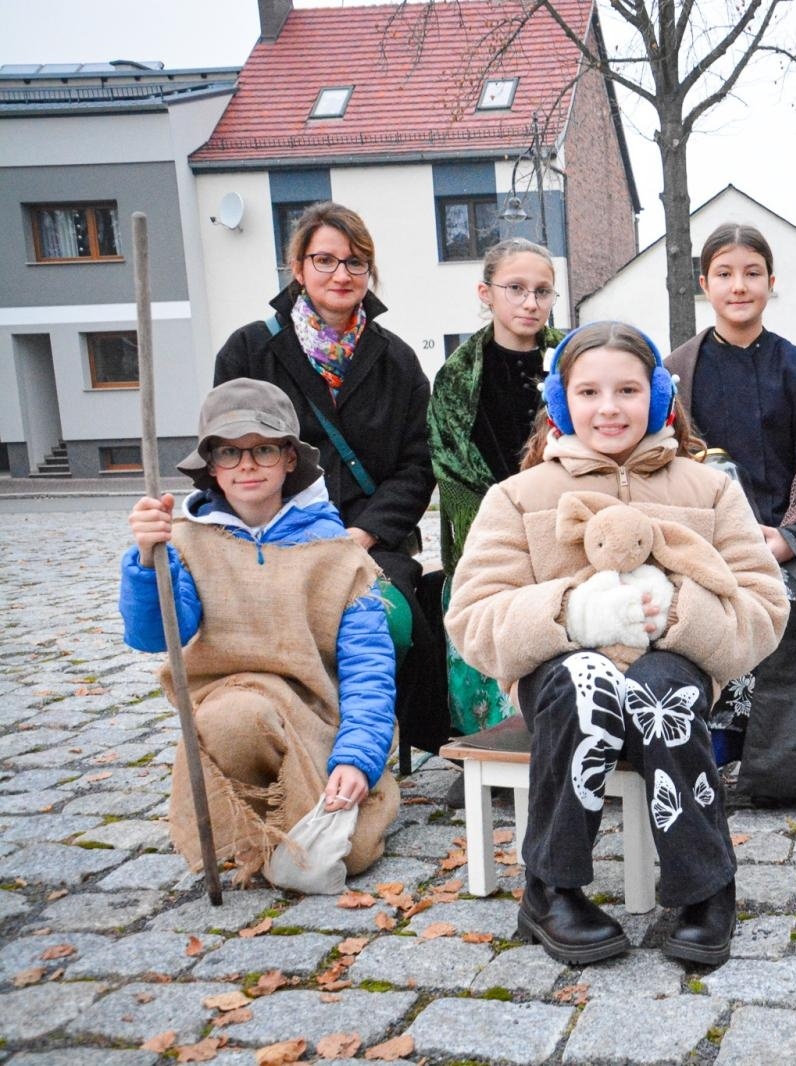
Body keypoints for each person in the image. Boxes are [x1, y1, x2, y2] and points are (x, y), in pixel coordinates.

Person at [445, 321, 788, 968]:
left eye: (628, 390)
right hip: (563, 684)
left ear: (659, 397)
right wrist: (571, 614)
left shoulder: (709, 489)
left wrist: (678, 616)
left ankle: (706, 887)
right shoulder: (517, 498)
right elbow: (473, 617)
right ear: (560, 401)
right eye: (590, 391)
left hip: (671, 669)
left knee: (661, 693)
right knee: (586, 683)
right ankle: (551, 888)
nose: (609, 408)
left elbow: (764, 602)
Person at [119, 378, 398, 886]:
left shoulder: (336, 555)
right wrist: (146, 560)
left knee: (347, 854)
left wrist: (358, 757)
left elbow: (368, 671)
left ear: (289, 458)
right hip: (227, 718)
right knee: (237, 717)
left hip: (314, 719)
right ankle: (243, 822)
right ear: (211, 466)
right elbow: (155, 635)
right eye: (229, 452)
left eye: (263, 449)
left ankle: (287, 821)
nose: (246, 465)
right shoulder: (184, 542)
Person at [214, 201, 448, 764]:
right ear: (298, 269)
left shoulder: (396, 360)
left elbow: (417, 465)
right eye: (326, 260)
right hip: (271, 538)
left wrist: (364, 535)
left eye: (356, 263)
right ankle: (282, 732)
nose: (342, 275)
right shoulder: (250, 351)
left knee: (397, 619)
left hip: (367, 540)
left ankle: (394, 735)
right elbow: (227, 451)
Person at [665, 222, 796, 765]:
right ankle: (705, 749)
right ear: (704, 283)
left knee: (773, 599)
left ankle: (779, 754)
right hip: (698, 539)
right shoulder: (674, 374)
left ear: (771, 281)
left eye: (751, 273)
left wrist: (790, 538)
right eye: (724, 274)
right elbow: (663, 465)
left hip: (784, 538)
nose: (738, 286)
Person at [428, 238, 564, 753]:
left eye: (542, 291)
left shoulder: (572, 360)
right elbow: (450, 463)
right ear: (486, 293)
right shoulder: (457, 377)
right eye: (516, 289)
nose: (530, 302)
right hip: (487, 531)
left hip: (560, 520)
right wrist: (506, 522)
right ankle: (485, 750)